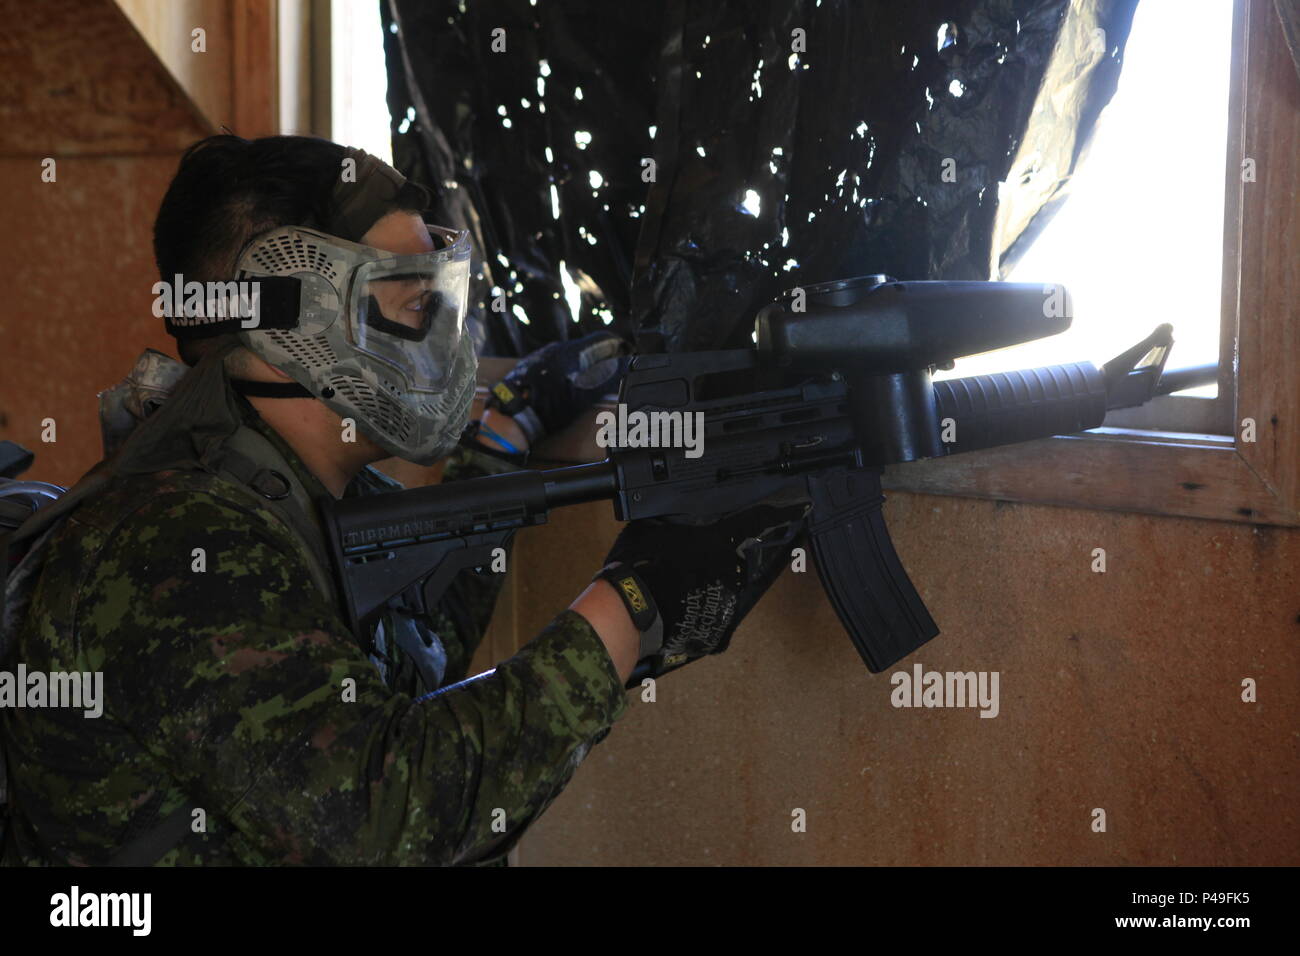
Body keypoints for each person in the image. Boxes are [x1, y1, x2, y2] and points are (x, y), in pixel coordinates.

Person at [0, 135, 802, 866]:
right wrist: (630, 610)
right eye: (417, 304)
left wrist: (506, 434)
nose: (447, 335)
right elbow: (384, 818)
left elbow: (411, 650)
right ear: (307, 318)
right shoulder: (174, 545)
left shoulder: (281, 498)